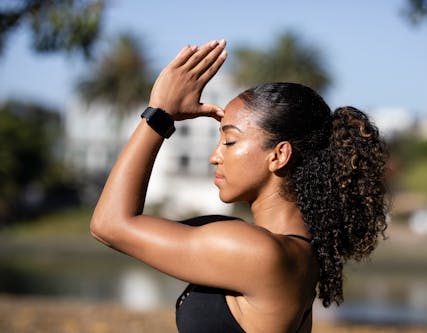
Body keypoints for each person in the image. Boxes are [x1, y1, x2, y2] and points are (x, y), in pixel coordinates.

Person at [90, 39, 388, 333]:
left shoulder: (259, 253)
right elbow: (131, 225)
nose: (214, 156)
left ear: (279, 155)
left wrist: (159, 115)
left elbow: (110, 225)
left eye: (230, 141)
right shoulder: (288, 250)